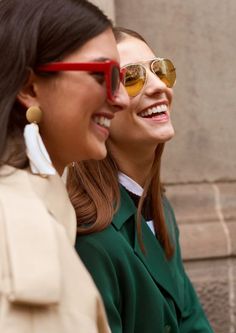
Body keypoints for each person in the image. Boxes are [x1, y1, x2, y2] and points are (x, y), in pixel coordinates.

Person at [68, 27, 214, 333]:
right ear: (101, 107)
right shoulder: (90, 237)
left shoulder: (160, 208)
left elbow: (192, 322)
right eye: (131, 77)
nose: (159, 86)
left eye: (160, 70)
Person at [0, 0, 129, 331]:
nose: (121, 99)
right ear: (31, 88)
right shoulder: (19, 226)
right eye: (104, 75)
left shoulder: (44, 209)